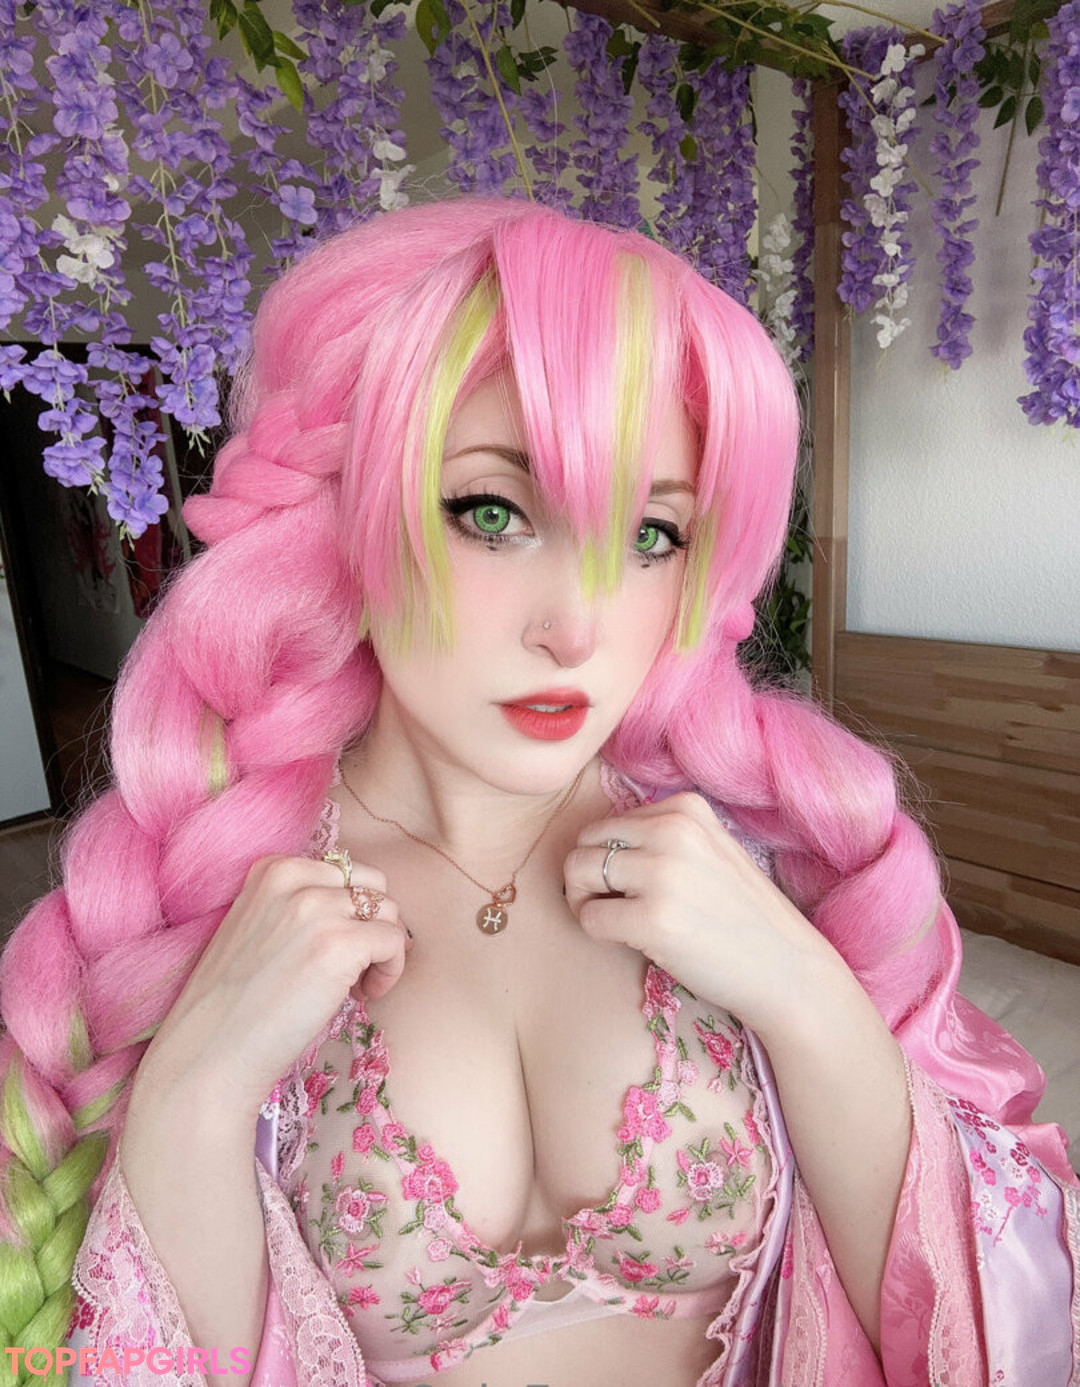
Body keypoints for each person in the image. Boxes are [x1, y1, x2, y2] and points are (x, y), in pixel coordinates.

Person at [1, 194, 1076, 1387]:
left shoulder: (761, 867)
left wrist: (805, 993)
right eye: (493, 512)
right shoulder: (218, 902)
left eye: (654, 536)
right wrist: (193, 1094)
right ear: (349, 514)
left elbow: (978, 1308)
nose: (577, 627)